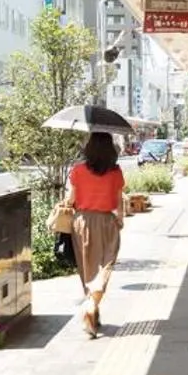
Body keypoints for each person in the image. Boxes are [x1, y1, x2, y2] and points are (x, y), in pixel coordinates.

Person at [67, 131, 127, 339]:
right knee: (105, 267)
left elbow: (71, 199)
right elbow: (119, 201)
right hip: (107, 222)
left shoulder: (77, 171)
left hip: (82, 221)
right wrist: (120, 219)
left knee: (88, 267)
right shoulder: (115, 172)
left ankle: (90, 308)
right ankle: (92, 308)